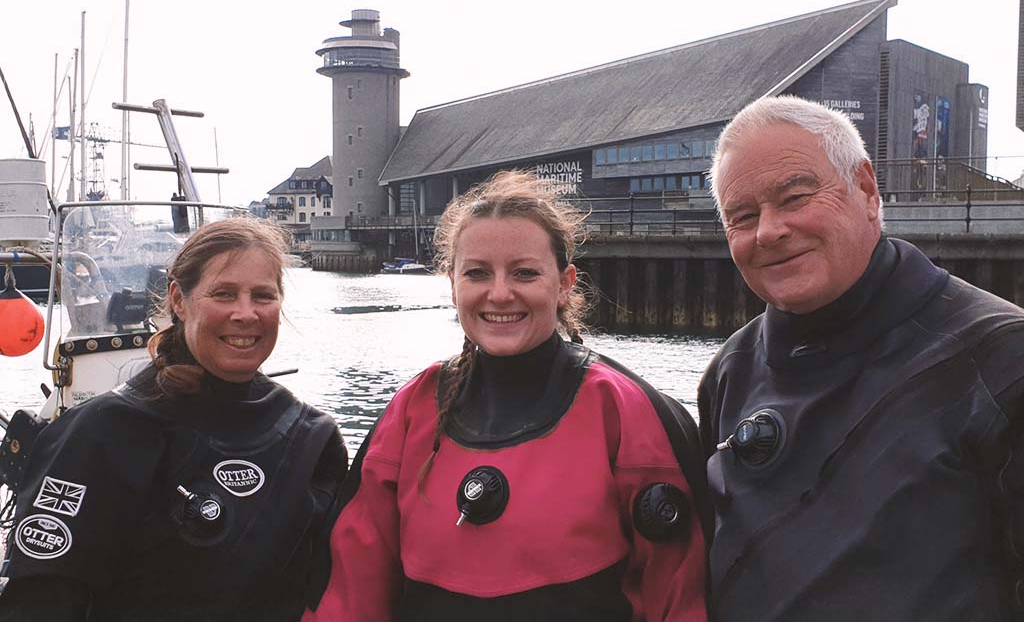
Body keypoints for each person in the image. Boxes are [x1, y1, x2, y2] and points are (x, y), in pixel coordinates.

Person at [304, 170, 711, 621]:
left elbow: (679, 594)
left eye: (524, 273)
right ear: (452, 283)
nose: (500, 293)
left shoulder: (626, 412)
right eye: (478, 273)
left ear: (565, 283)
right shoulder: (412, 411)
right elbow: (350, 588)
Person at [698, 95, 1024, 621]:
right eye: (743, 216)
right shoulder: (730, 370)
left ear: (867, 190)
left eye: (796, 197)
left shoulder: (1000, 358)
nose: (769, 231)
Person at [0, 217, 347, 621]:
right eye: (224, 293)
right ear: (179, 300)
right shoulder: (102, 433)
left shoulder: (310, 437)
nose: (246, 313)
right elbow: (39, 599)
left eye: (263, 296)